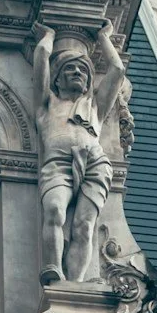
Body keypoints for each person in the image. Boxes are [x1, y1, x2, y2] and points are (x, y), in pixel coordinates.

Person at [31, 23, 127, 285]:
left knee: (84, 226)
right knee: (54, 210)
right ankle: (53, 268)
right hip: (58, 163)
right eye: (70, 68)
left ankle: (75, 283)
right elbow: (40, 64)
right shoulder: (46, 105)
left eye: (83, 70)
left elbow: (117, 71)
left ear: (87, 81)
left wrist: (103, 37)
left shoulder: (94, 107)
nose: (77, 73)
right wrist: (48, 38)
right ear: (58, 78)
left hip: (95, 163)